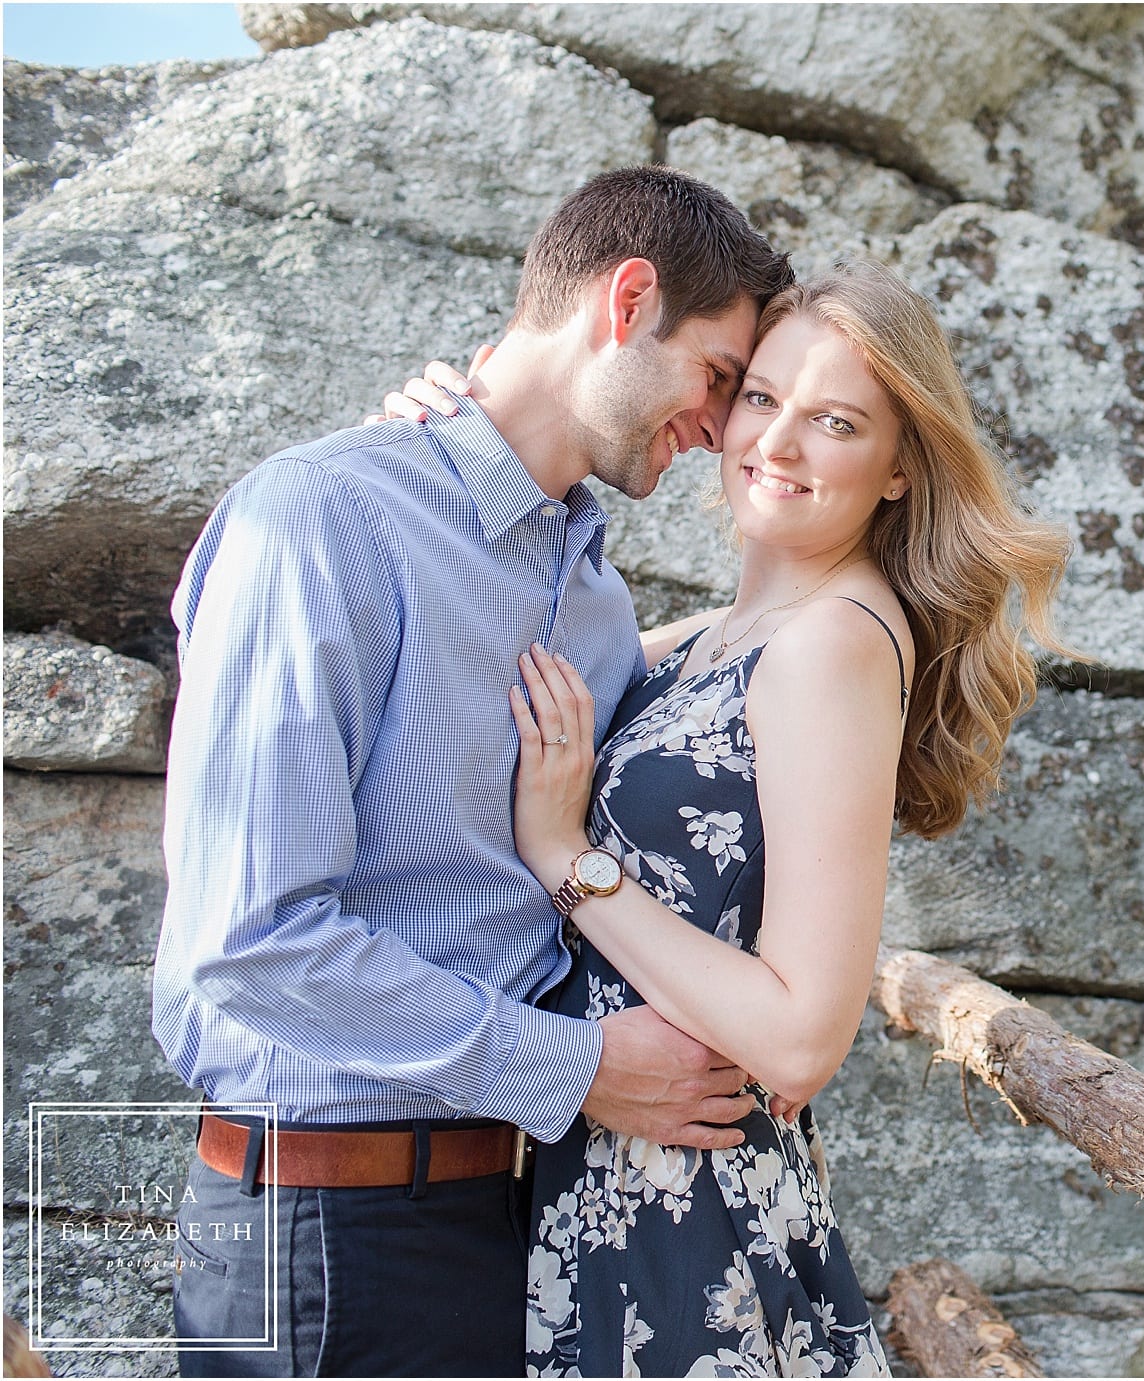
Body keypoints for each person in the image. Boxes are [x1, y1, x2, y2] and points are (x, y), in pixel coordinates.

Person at [151, 167, 794, 1377]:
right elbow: (250, 938)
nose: (720, 426)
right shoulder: (321, 520)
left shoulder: (599, 603)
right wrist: (587, 1069)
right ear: (628, 299)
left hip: (510, 1215)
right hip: (323, 1237)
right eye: (718, 375)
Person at [385, 260, 1074, 1376]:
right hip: (599, 1194)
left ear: (900, 468)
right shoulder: (718, 636)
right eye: (761, 397)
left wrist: (569, 861)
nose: (781, 442)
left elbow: (804, 1034)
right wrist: (437, 445)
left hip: (681, 1220)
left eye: (836, 421)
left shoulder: (834, 644)